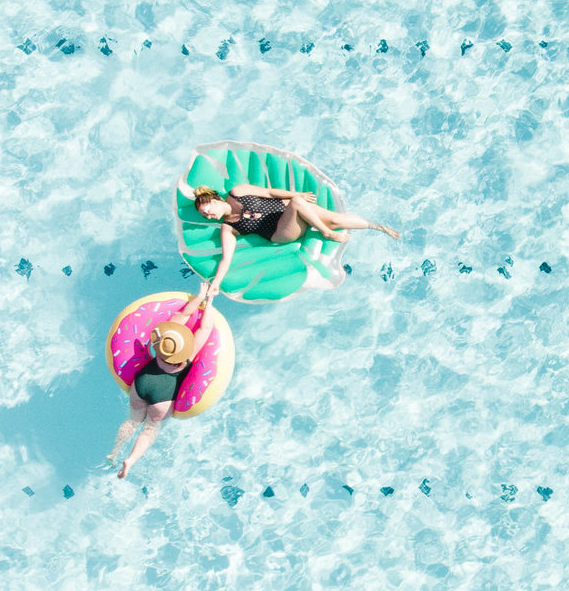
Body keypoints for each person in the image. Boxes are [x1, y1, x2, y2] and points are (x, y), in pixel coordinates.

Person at [191, 182, 400, 297]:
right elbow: (226, 259)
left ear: (215, 199)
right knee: (298, 204)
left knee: (335, 219)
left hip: (285, 208)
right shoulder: (229, 228)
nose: (208, 216)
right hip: (282, 232)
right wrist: (216, 283)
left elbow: (269, 192)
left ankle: (377, 227)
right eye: (204, 216)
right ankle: (326, 232)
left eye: (207, 210)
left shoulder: (237, 192)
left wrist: (294, 193)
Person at [107, 285, 215, 479]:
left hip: (141, 384)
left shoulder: (160, 342)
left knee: (132, 420)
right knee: (149, 429)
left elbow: (182, 315)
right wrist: (210, 300)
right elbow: (206, 328)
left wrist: (198, 297)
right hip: (163, 398)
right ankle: (130, 460)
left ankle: (114, 452)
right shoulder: (187, 357)